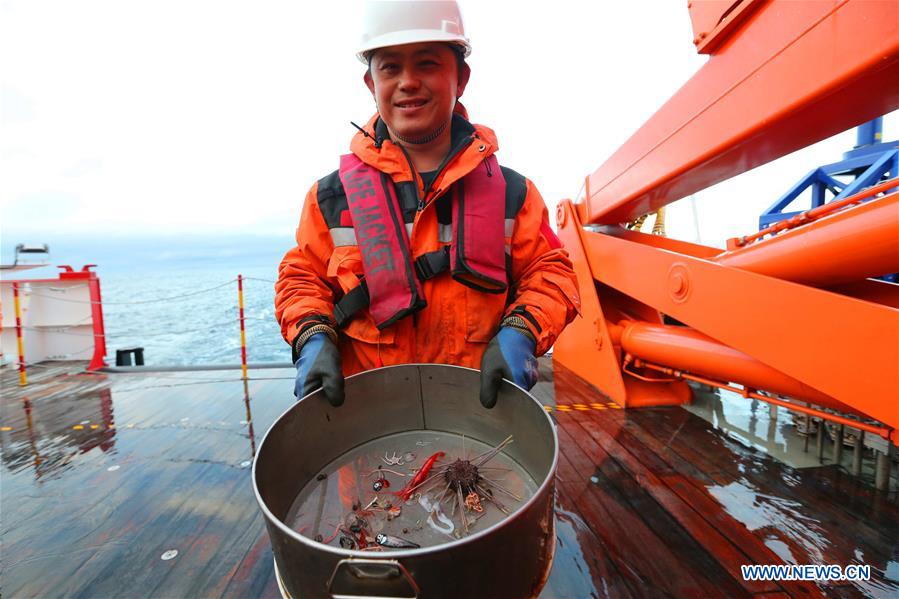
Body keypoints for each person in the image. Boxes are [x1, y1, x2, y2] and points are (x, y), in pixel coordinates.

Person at [275, 0, 579, 409]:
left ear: (462, 78)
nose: (408, 82)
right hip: (370, 433)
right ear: (371, 84)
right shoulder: (329, 198)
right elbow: (302, 278)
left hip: (482, 419)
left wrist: (521, 330)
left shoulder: (514, 193)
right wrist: (312, 333)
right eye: (390, 67)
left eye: (428, 63)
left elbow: (551, 272)